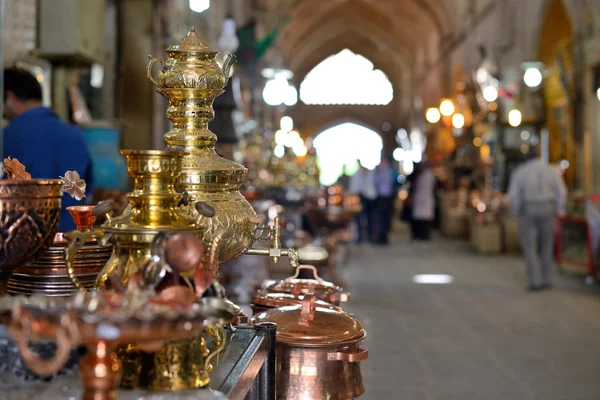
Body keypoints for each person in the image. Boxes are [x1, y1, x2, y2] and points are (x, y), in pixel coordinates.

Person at [3, 68, 94, 232]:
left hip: (24, 242)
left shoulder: (8, 137)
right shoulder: (74, 134)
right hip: (71, 241)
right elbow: (88, 192)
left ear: (10, 97)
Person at [508, 146, 567, 292]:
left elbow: (514, 194)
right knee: (547, 245)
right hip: (548, 208)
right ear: (540, 156)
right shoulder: (551, 171)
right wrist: (560, 209)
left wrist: (515, 210)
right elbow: (561, 191)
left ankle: (534, 281)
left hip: (528, 209)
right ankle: (546, 279)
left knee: (529, 246)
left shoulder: (520, 171)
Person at [349, 163, 376, 243]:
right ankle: (359, 237)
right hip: (358, 198)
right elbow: (354, 188)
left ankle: (369, 236)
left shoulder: (369, 174)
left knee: (368, 218)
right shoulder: (356, 175)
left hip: (368, 199)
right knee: (358, 219)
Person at [411, 161, 436, 241]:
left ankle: (424, 235)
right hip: (422, 198)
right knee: (421, 218)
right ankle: (421, 235)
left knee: (424, 219)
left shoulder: (427, 175)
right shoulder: (423, 175)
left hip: (424, 198)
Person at [373, 157, 395, 245]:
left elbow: (376, 181)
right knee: (383, 218)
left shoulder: (384, 172)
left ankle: (382, 237)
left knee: (382, 218)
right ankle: (382, 236)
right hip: (385, 197)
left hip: (384, 197)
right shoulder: (388, 171)